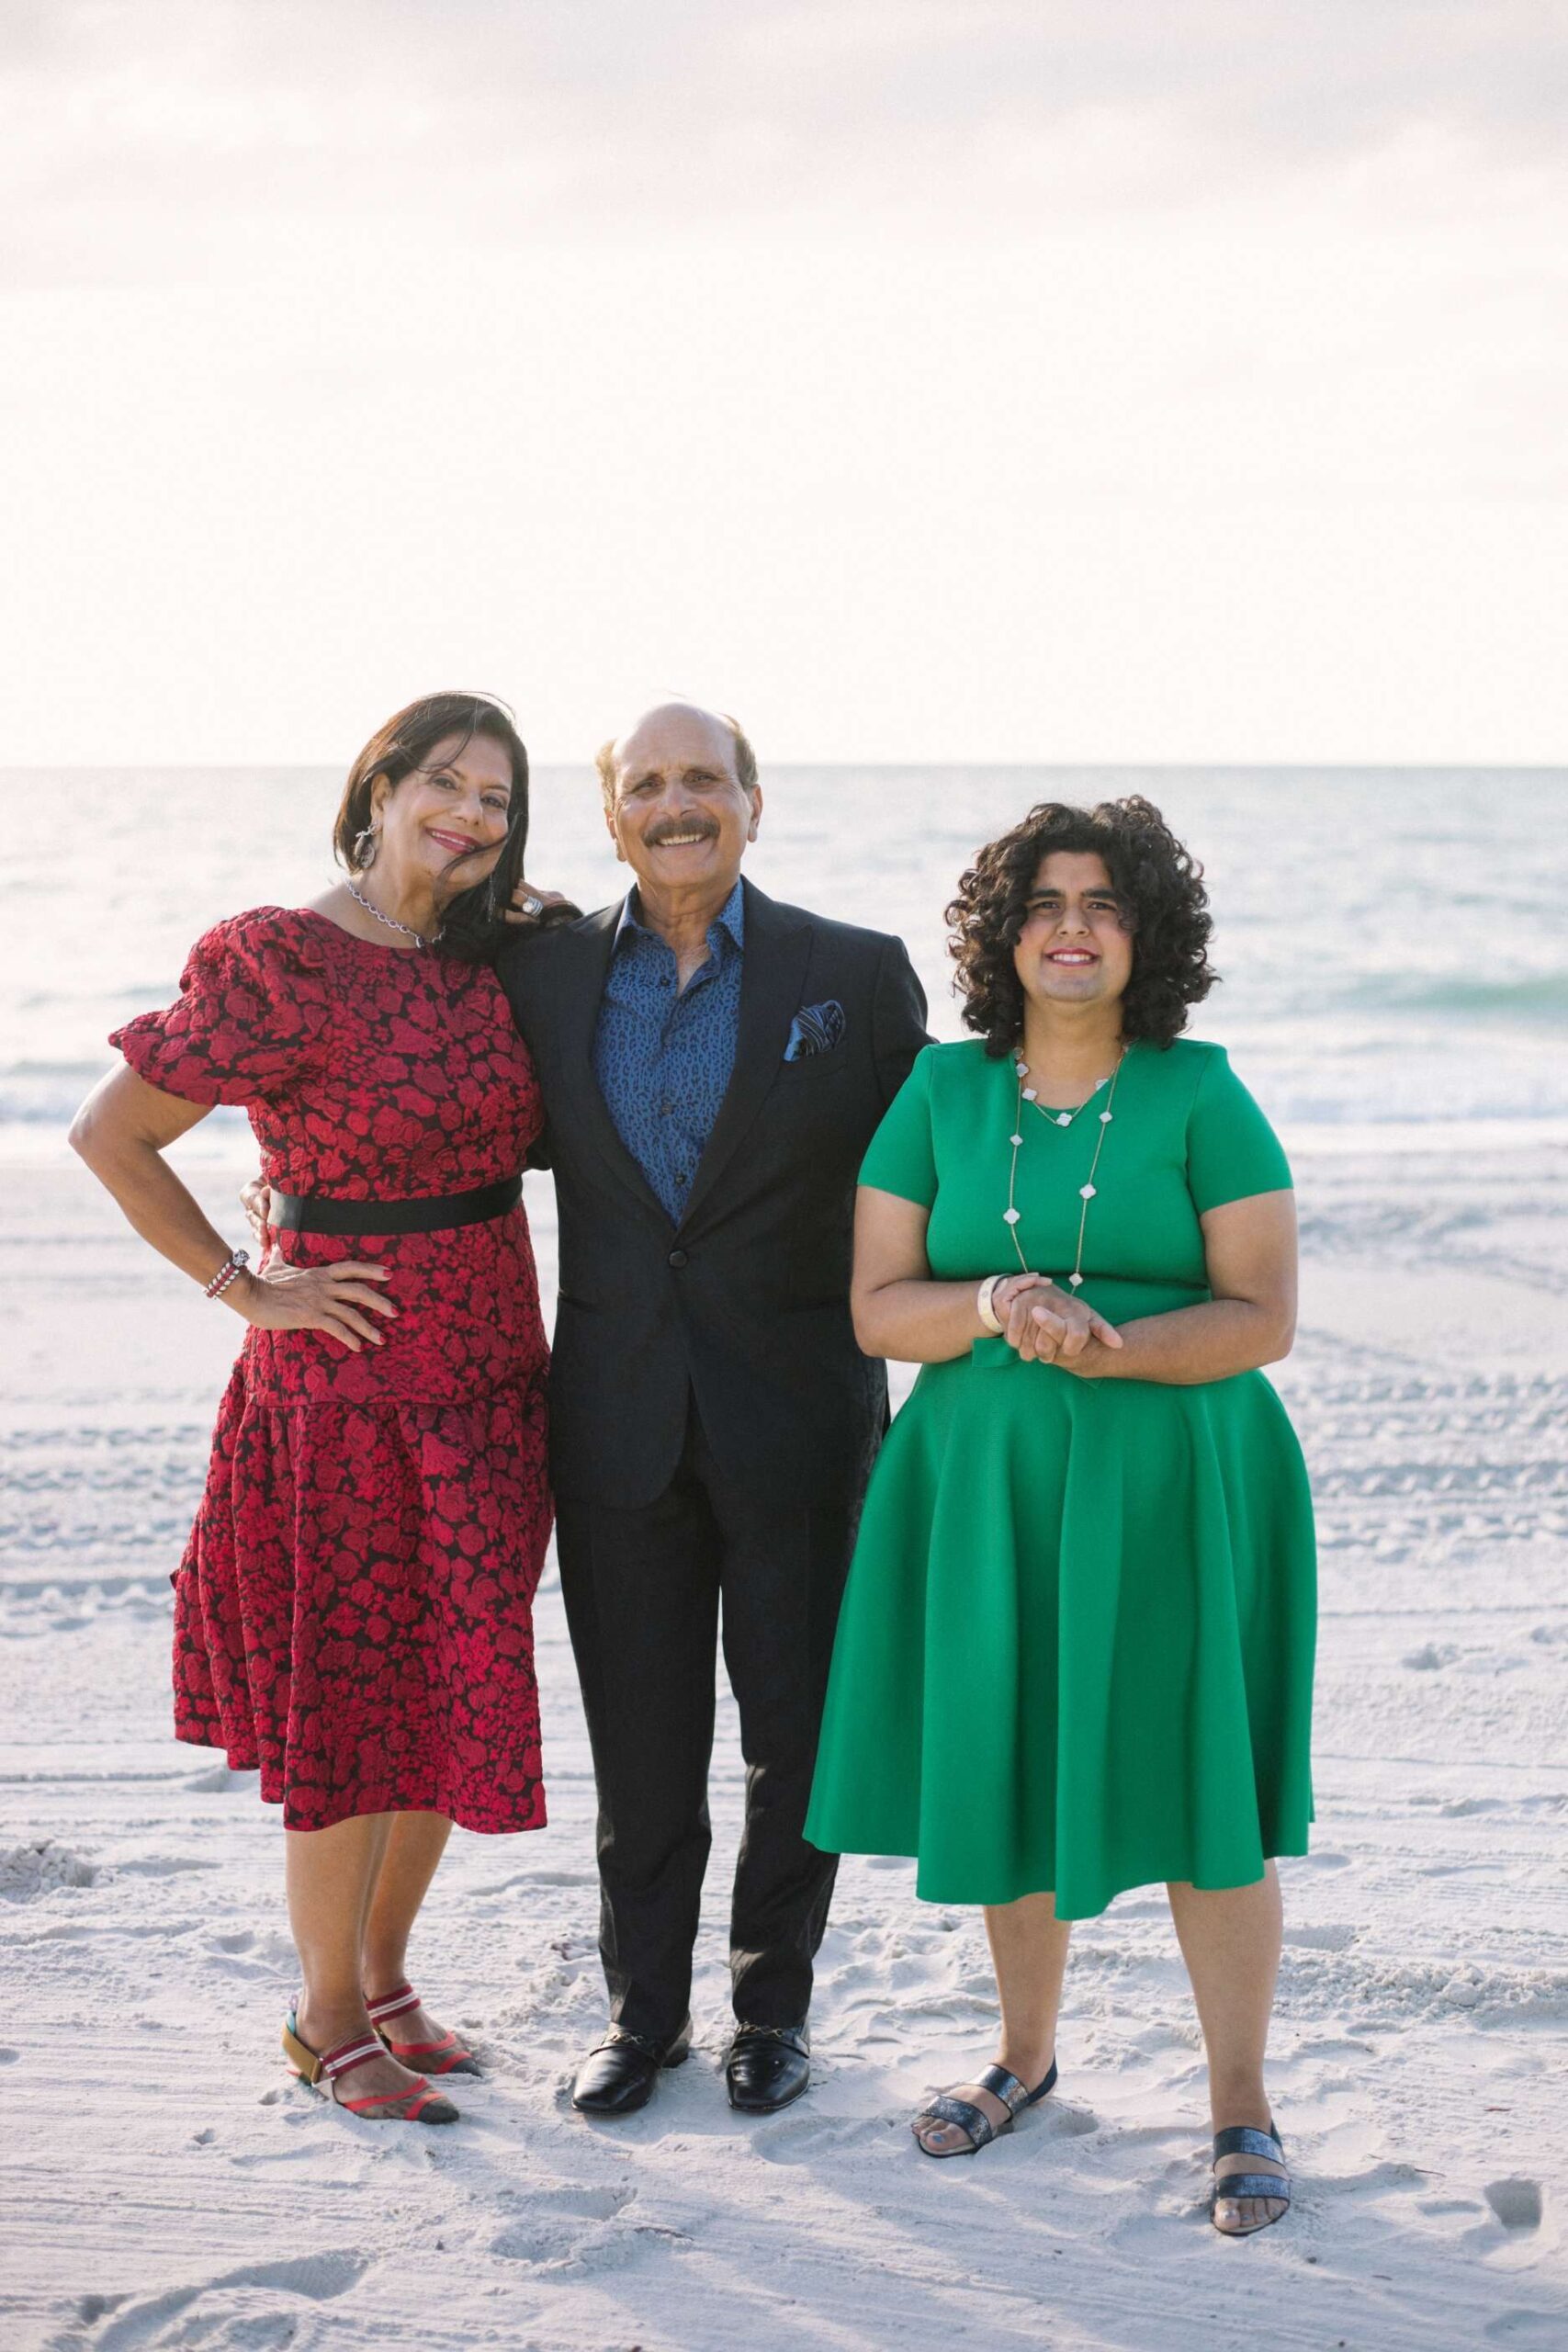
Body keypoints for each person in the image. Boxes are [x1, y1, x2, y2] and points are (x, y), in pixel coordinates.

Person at [804, 797, 1314, 2236]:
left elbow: (1264, 1315)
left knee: (1205, 1791)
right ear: (1004, 937)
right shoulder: (939, 1092)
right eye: (1043, 904)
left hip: (1176, 1485)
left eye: (1102, 903)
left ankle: (1241, 2101)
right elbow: (878, 1306)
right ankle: (1023, 2057)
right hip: (988, 1490)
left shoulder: (1203, 1091)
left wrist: (1114, 1348)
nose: (1071, 928)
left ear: (1148, 934)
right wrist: (991, 1303)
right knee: (1013, 1760)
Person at [69, 693, 559, 2127]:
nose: (469, 815)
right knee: (351, 1705)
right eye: (446, 783)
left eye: (496, 798)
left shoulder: (498, 956)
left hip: (492, 1378)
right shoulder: (280, 959)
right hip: (343, 1386)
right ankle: (324, 2013)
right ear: (381, 787)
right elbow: (111, 1133)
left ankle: (387, 1980)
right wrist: (247, 1285)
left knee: (451, 1686)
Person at [498, 701, 929, 2118]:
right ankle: (644, 2015)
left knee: (793, 1737)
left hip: (801, 1418)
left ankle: (772, 2010)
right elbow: (441, 1111)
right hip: (614, 1415)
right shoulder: (539, 974)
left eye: (703, 779)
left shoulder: (853, 974)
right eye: (646, 784)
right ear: (610, 816)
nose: (675, 803)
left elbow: (934, 1172)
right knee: (640, 1743)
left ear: (753, 799)